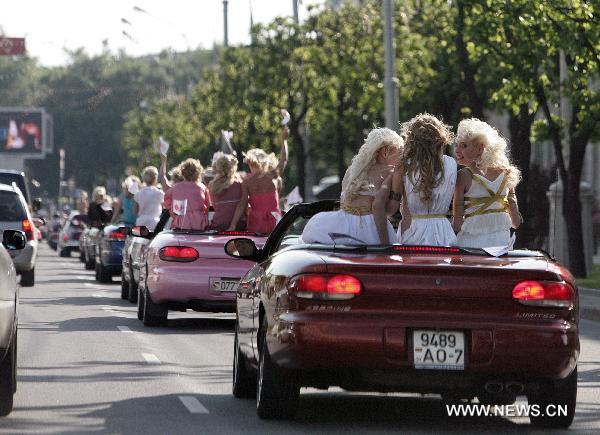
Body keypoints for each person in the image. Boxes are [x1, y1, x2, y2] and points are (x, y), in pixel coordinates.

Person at [301, 127, 403, 245]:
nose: (400, 157)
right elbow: (382, 209)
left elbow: (344, 202)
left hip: (340, 227)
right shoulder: (389, 172)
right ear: (385, 152)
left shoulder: (352, 170)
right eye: (398, 152)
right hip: (369, 231)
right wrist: (385, 244)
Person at [380, 114, 457, 246]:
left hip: (412, 231)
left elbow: (392, 208)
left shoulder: (403, 165)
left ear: (411, 139)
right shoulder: (452, 164)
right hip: (443, 231)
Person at [452, 118, 522, 248]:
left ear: (480, 148)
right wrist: (515, 220)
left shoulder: (463, 176)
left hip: (471, 240)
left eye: (464, 145)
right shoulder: (506, 173)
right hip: (501, 239)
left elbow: (457, 218)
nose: (457, 150)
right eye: (456, 145)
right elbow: (514, 212)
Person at [227, 127, 289, 233]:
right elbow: (284, 160)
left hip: (256, 220)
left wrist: (233, 225)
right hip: (274, 219)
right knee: (274, 246)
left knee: (256, 247)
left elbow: (242, 204)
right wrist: (284, 141)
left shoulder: (247, 182)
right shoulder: (272, 175)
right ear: (265, 162)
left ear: (250, 163)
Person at [164, 158, 211, 230]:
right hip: (199, 223)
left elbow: (167, 202)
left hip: (181, 223)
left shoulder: (176, 188)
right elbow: (207, 205)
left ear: (183, 172)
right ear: (198, 172)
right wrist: (204, 217)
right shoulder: (202, 187)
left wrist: (175, 216)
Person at [208, 152, 245, 231]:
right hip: (239, 226)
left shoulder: (212, 185)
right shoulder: (240, 184)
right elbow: (243, 205)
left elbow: (214, 206)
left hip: (218, 225)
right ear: (233, 168)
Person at [134, 166, 164, 231]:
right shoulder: (159, 193)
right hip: (154, 222)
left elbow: (135, 210)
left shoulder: (138, 193)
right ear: (155, 178)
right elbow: (163, 207)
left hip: (141, 221)